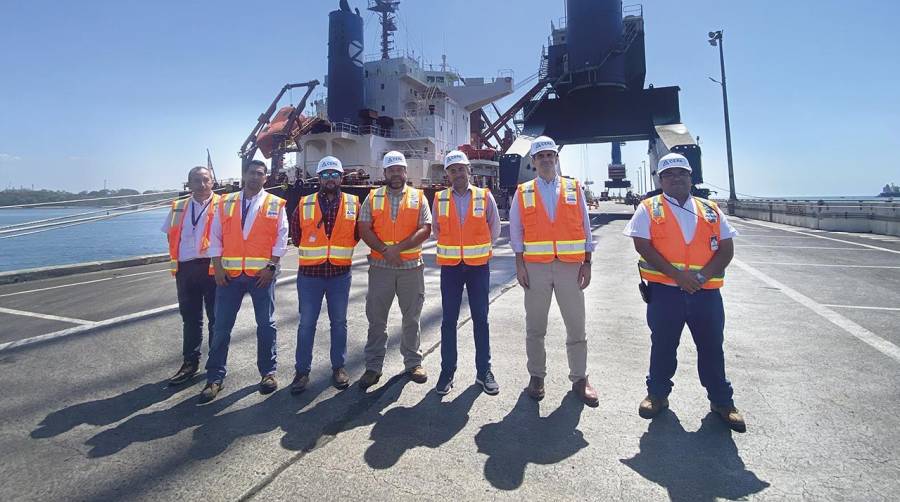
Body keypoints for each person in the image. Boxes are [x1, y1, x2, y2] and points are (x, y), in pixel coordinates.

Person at [623, 152, 746, 432]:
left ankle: (722, 401)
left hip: (706, 293)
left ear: (691, 177)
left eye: (682, 173)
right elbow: (643, 246)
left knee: (712, 347)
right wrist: (677, 275)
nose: (676, 178)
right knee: (664, 345)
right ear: (660, 179)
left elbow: (726, 249)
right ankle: (657, 395)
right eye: (669, 174)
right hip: (666, 293)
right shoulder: (648, 208)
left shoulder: (710, 209)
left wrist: (700, 277)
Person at [510, 136, 599, 407]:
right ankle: (536, 376)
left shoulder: (574, 188)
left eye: (550, 155)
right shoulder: (523, 191)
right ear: (534, 162)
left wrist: (587, 262)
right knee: (535, 326)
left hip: (570, 267)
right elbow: (516, 229)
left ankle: (580, 379)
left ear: (556, 159)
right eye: (541, 156)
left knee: (576, 325)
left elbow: (585, 225)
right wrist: (519, 264)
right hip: (535, 268)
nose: (546, 160)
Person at [199, 159, 288, 403]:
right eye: (251, 173)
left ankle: (268, 373)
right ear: (244, 174)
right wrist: (217, 268)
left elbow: (282, 238)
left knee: (266, 325)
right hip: (229, 277)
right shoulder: (225, 202)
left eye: (260, 174)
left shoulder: (275, 204)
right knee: (221, 327)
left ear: (266, 178)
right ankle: (215, 377)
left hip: (261, 276)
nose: (255, 177)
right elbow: (214, 237)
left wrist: (271, 267)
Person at [357, 151, 432, 390]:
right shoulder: (372, 197)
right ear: (385, 173)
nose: (396, 174)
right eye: (391, 170)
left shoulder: (419, 197)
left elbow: (425, 229)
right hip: (380, 269)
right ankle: (373, 366)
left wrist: (396, 249)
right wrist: (384, 250)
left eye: (400, 169)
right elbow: (364, 228)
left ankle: (413, 363)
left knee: (412, 318)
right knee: (376, 319)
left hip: (411, 268)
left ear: (405, 172)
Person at [432, 150, 502, 396]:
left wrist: (475, 249)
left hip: (478, 267)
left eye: (461, 169)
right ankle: (447, 371)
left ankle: (484, 372)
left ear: (468, 171)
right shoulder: (439, 198)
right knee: (448, 321)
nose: (458, 173)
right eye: (453, 170)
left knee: (481, 320)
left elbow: (494, 230)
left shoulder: (485, 197)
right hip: (451, 268)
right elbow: (437, 230)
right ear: (447, 174)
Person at [290, 156, 359, 393]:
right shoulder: (304, 203)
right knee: (306, 324)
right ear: (319, 178)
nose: (330, 179)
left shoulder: (354, 203)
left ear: (341, 177)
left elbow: (357, 233)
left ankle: (339, 367)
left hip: (340, 273)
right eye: (326, 175)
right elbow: (296, 235)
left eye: (334, 175)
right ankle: (301, 372)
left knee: (339, 323)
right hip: (310, 274)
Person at [161, 166, 220, 385]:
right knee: (190, 319)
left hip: (213, 267)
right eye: (197, 180)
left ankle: (216, 364)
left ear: (212, 182)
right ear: (189, 184)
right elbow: (170, 236)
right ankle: (190, 363)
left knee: (216, 319)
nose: (202, 184)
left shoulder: (223, 205)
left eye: (206, 180)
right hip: (185, 269)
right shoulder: (178, 208)